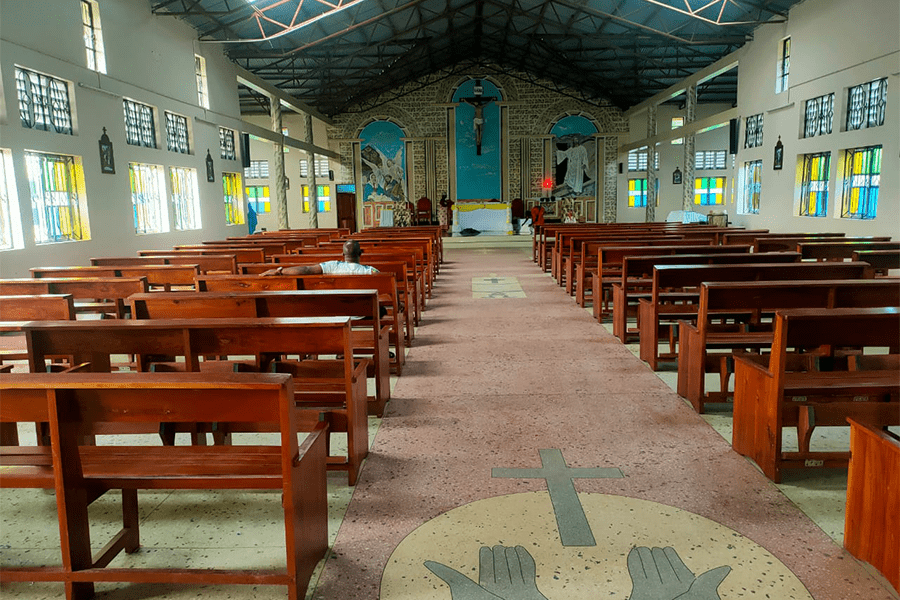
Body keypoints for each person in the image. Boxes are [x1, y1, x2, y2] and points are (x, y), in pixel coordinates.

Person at [262, 240, 379, 276]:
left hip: (337, 311)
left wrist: (280, 271)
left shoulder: (332, 266)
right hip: (364, 312)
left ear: (343, 255)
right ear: (360, 253)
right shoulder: (370, 271)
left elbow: (307, 270)